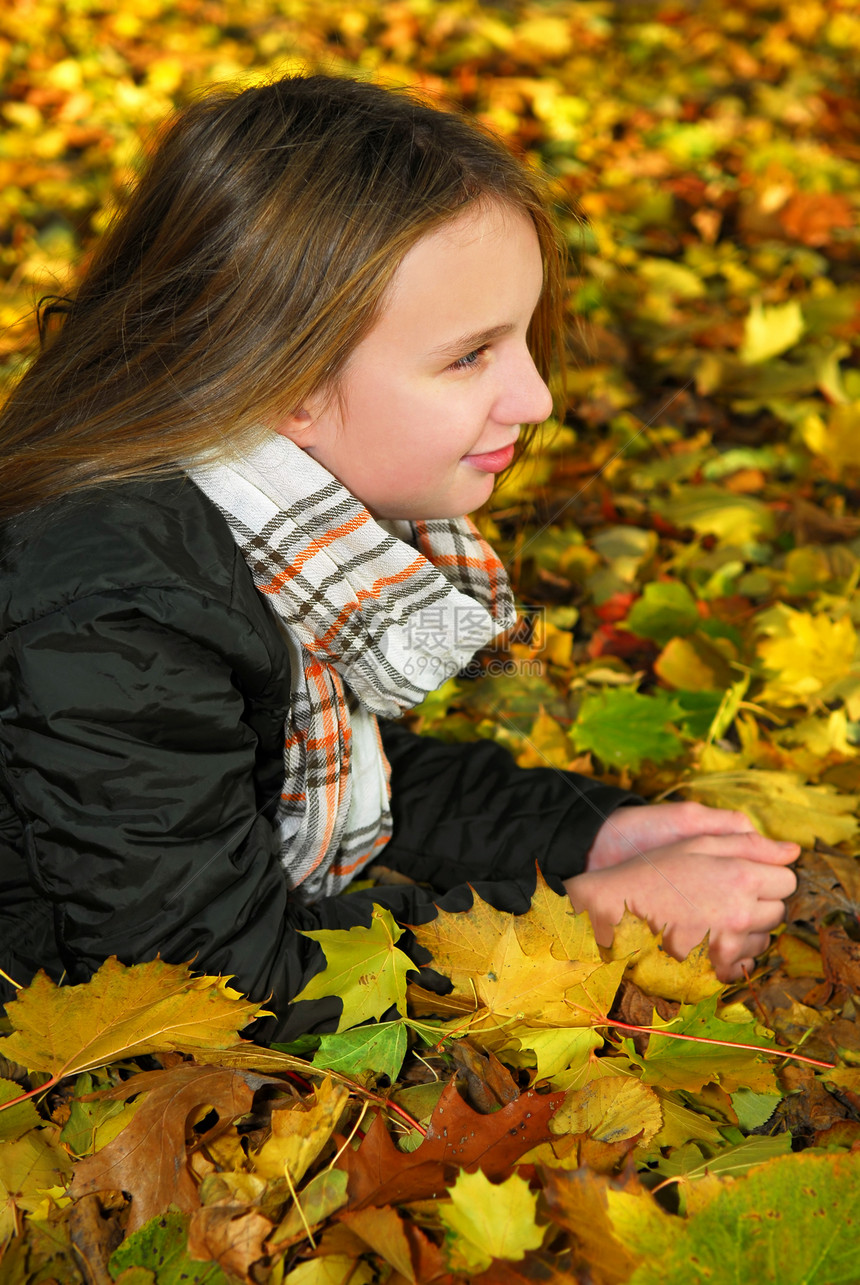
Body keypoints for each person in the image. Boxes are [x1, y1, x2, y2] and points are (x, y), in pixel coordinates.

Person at [0, 74, 798, 1039]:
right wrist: (597, 923)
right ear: (276, 375)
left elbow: (308, 775)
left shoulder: (275, 522)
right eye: (472, 355)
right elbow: (212, 991)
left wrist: (592, 830)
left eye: (524, 339)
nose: (537, 398)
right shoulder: (114, 611)